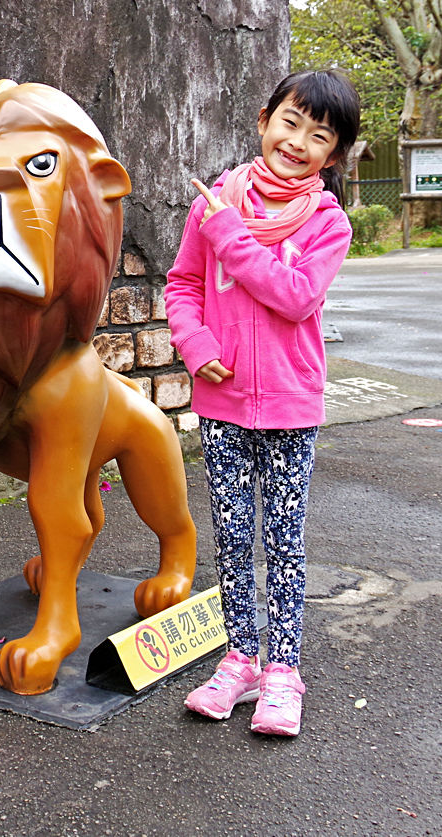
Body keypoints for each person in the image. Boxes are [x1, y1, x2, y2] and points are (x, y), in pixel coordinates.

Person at [164, 70, 359, 737]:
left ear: (332, 156)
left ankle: (284, 671)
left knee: (283, 541)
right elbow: (183, 285)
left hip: (290, 408)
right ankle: (241, 658)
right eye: (291, 122)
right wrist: (195, 345)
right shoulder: (212, 205)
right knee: (233, 535)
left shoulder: (328, 223)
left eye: (319, 135)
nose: (299, 141)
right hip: (220, 406)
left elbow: (296, 295)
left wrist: (232, 238)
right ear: (263, 119)